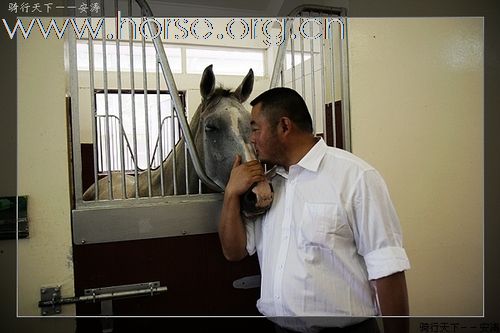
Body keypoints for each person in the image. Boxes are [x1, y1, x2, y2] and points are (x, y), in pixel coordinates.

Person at [218, 87, 410, 333]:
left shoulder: (355, 177)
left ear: (284, 126)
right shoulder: (268, 183)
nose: (251, 139)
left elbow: (387, 269)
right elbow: (234, 251)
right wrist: (231, 194)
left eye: (255, 128)